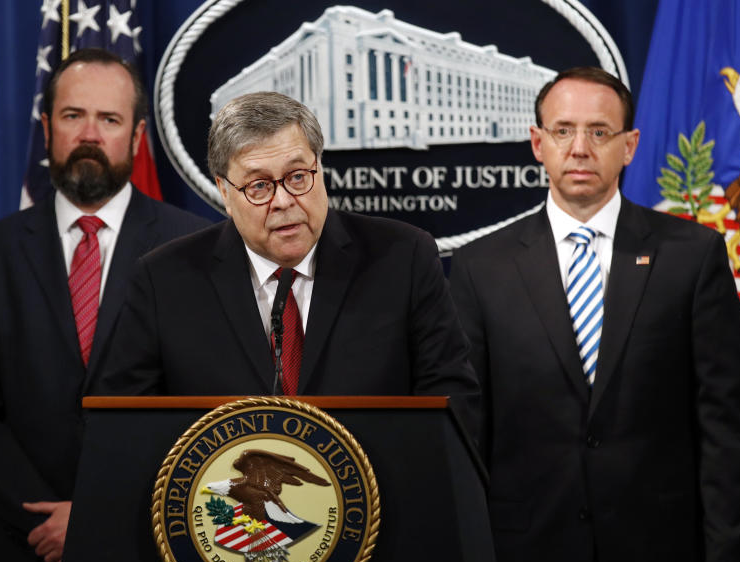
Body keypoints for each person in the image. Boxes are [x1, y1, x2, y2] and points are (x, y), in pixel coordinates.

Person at [449, 66, 740, 562]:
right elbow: (465, 439)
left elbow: (729, 428)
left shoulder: (691, 256)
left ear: (629, 147)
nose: (579, 148)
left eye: (599, 132)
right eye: (563, 130)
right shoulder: (479, 268)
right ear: (537, 143)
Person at [0, 48, 208, 562]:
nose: (90, 134)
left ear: (138, 137)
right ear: (46, 128)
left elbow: (196, 407)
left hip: (154, 553)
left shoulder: (193, 249)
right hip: (29, 553)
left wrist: (99, 517)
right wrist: (45, 521)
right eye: (73, 116)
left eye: (109, 119)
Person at [95, 90, 478, 399]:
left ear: (320, 168)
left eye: (297, 176)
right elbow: (129, 423)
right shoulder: (165, 281)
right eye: (259, 185)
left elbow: (450, 402)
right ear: (225, 192)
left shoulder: (403, 259)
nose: (283, 201)